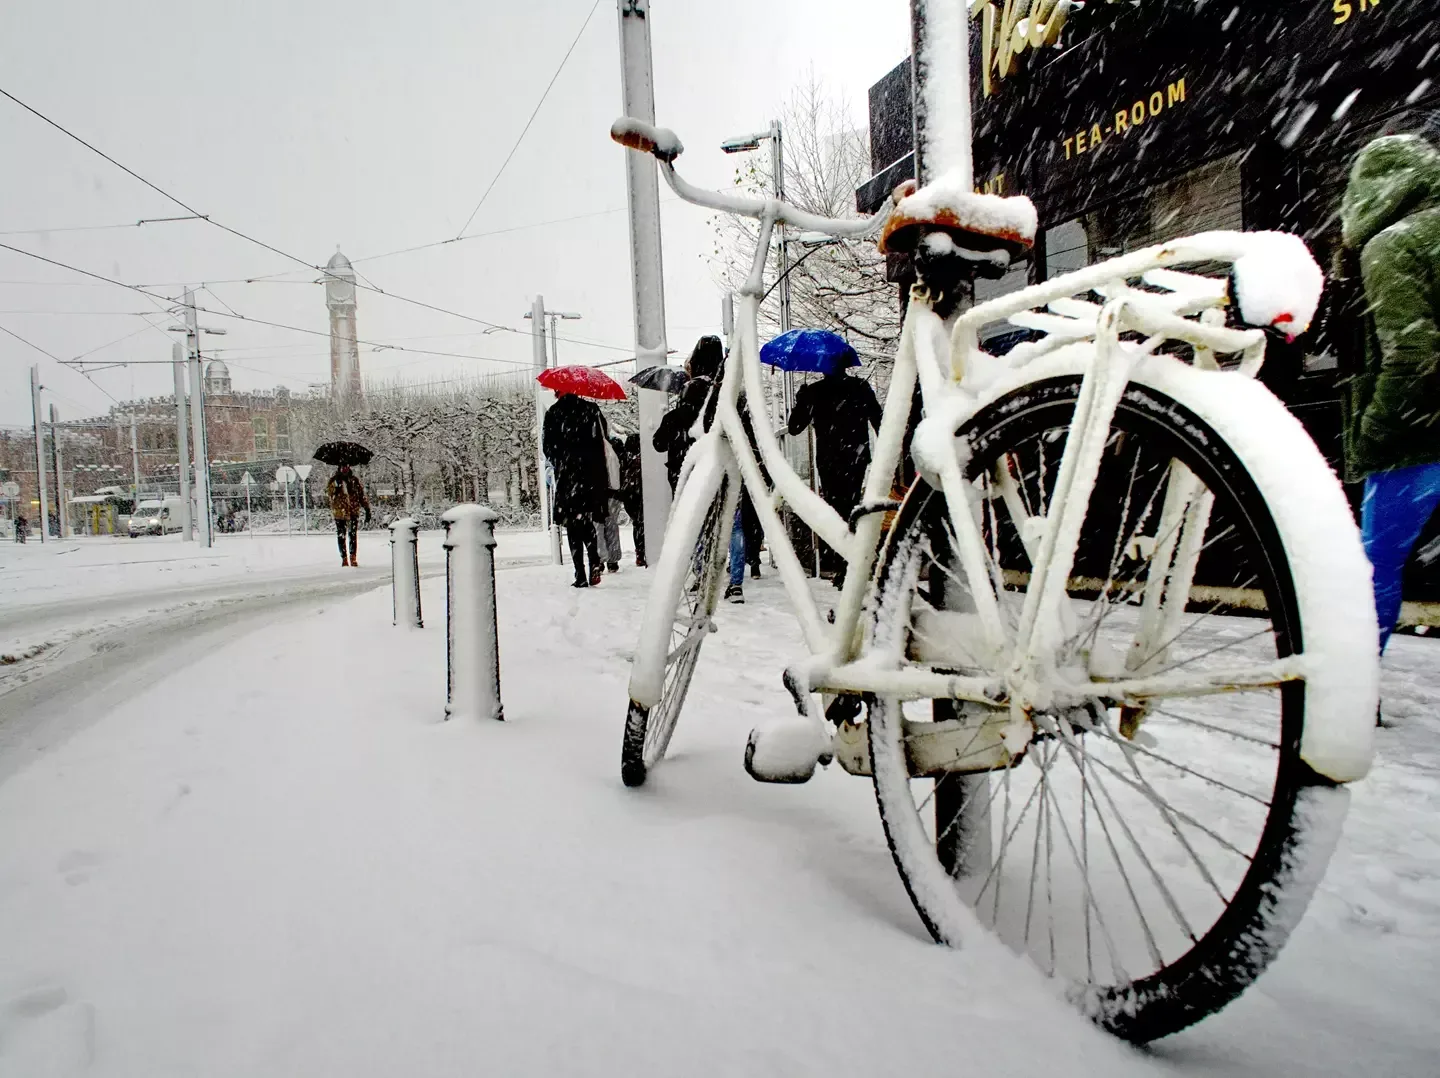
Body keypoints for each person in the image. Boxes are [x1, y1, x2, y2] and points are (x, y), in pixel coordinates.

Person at [1339, 125, 1440, 662]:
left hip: (1417, 441)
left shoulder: (1393, 244)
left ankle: (1355, 688)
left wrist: (1376, 429)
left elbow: (1411, 351)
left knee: (1374, 566)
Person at [787, 356, 882, 587]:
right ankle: (854, 562)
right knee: (852, 507)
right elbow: (879, 420)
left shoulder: (814, 392)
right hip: (855, 457)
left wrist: (801, 400)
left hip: (829, 461)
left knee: (835, 510)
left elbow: (794, 428)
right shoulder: (860, 387)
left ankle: (842, 564)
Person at [543, 389, 609, 588]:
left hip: (567, 476)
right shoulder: (591, 410)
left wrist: (562, 460)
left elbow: (548, 447)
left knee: (572, 525)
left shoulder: (554, 413)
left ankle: (580, 573)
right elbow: (603, 438)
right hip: (591, 474)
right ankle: (594, 560)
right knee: (587, 520)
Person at [654, 336, 724, 491]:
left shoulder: (688, 396)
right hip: (721, 468)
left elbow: (659, 443)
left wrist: (673, 419)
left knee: (688, 512)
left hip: (685, 470)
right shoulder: (728, 392)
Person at [595, 413, 624, 573]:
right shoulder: (615, 444)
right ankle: (613, 559)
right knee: (612, 525)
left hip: (598, 492)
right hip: (614, 491)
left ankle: (600, 558)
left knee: (598, 526)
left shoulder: (591, 446)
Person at [326, 463, 370, 567]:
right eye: (343, 467)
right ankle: (344, 558)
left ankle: (353, 557)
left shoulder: (354, 480)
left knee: (353, 535)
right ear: (339, 468)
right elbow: (329, 493)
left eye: (346, 467)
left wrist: (367, 508)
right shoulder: (334, 480)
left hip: (353, 511)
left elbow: (361, 495)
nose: (345, 469)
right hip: (340, 513)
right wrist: (336, 487)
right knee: (341, 536)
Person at [616, 432, 646, 567]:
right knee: (643, 523)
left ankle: (639, 552)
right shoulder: (645, 460)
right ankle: (643, 551)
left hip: (629, 495)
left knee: (637, 523)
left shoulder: (624, 459)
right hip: (642, 493)